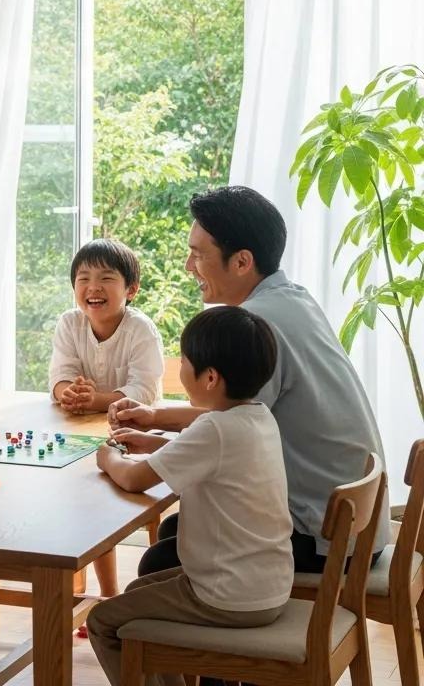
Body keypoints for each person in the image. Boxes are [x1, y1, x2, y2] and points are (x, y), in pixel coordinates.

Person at [110, 185, 388, 576]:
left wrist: (155, 433)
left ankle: (191, 632)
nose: (189, 267)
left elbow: (231, 426)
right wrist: (156, 420)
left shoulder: (259, 325)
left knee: (161, 561)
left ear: (241, 261)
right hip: (353, 525)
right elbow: (247, 425)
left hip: (325, 540)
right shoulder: (293, 298)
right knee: (177, 529)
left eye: (198, 254)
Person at [87, 306, 293, 686]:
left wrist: (108, 457)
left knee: (103, 621)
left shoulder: (213, 428)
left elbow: (133, 479)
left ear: (210, 377)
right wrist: (152, 442)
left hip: (224, 596)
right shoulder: (258, 416)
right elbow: (205, 450)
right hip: (267, 584)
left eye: (183, 360)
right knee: (137, 594)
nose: (179, 368)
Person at [48, 237, 164, 597]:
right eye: (83, 278)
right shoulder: (69, 323)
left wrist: (93, 399)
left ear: (131, 289)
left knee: (95, 495)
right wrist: (67, 392)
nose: (93, 287)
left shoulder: (140, 329)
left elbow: (142, 393)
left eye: (106, 278)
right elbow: (58, 376)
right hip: (80, 430)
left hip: (139, 434)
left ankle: (110, 595)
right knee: (71, 487)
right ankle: (83, 590)